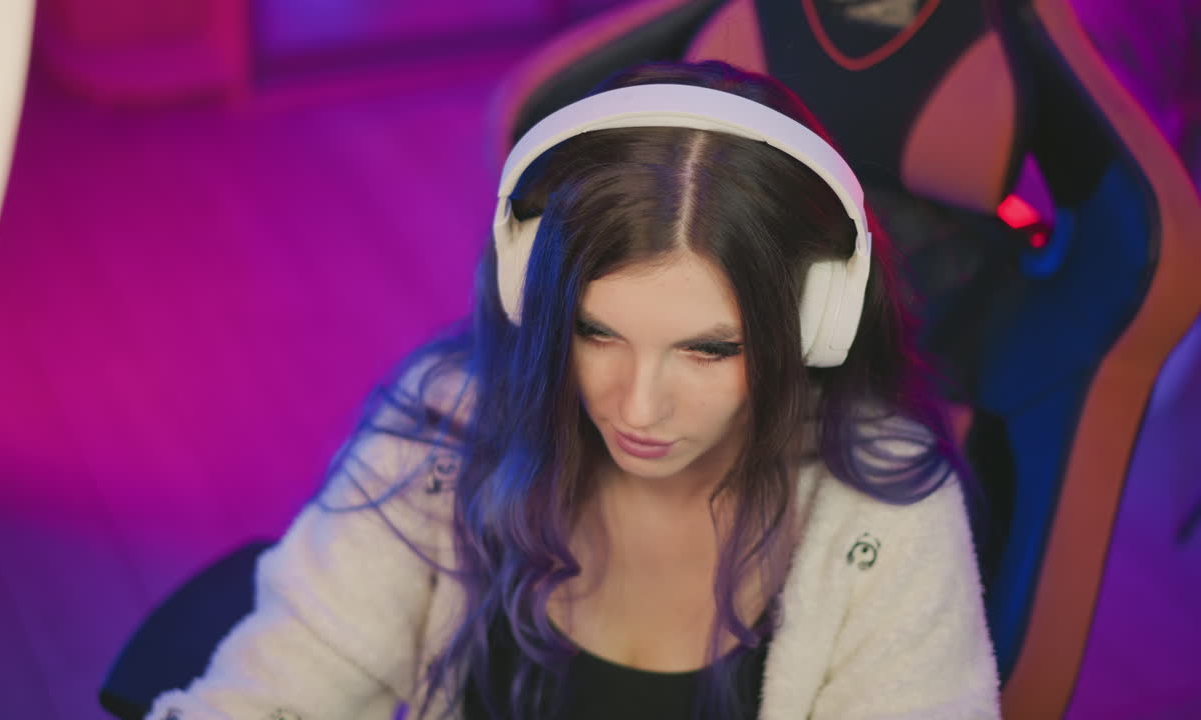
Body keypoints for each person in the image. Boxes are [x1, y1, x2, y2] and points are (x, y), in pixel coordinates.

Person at [146, 60, 1000, 720]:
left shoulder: (883, 517)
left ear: (815, 324)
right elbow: (299, 664)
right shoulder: (448, 422)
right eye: (596, 334)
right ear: (531, 293)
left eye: (708, 351)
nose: (636, 409)